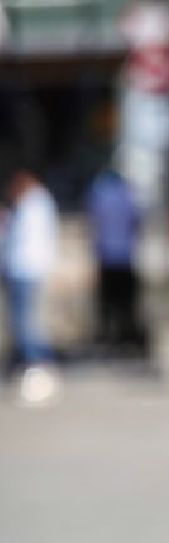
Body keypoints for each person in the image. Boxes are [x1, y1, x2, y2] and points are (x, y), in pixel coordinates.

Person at [3, 168, 60, 406]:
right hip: (21, 268)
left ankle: (38, 373)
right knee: (21, 323)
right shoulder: (32, 203)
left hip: (26, 268)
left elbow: (26, 240)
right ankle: (32, 371)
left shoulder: (35, 204)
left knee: (27, 324)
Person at [86, 164, 145, 354]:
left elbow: (94, 222)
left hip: (106, 257)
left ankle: (110, 338)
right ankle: (126, 339)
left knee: (108, 303)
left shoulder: (99, 195)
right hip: (126, 257)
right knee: (126, 303)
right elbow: (137, 222)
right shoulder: (128, 196)